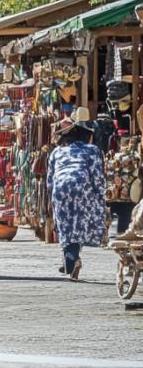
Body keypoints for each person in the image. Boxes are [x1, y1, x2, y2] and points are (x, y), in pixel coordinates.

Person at [47, 116, 106, 280]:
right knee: (78, 224)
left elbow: (50, 179)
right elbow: (97, 177)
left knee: (65, 224)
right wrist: (100, 197)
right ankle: (72, 259)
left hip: (60, 188)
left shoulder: (56, 152)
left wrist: (51, 198)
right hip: (82, 187)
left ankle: (72, 258)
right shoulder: (93, 150)